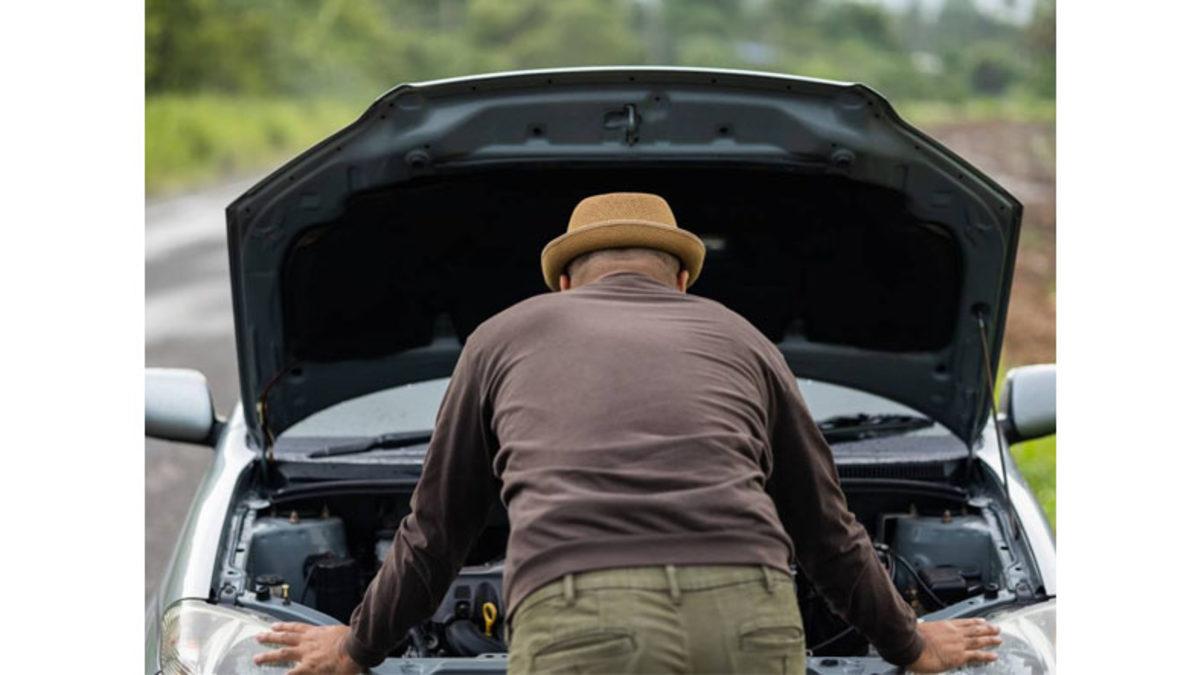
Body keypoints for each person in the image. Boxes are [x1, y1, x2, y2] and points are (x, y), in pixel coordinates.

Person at [255, 192, 1002, 674]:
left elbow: (437, 530)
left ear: (564, 283)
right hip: (745, 612)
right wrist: (911, 643)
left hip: (582, 617)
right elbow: (827, 531)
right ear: (681, 280)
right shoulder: (742, 338)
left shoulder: (503, 335)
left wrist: (355, 647)